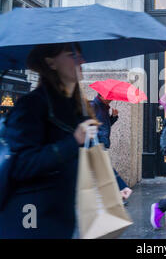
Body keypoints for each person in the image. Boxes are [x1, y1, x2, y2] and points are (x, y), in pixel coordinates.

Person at [0, 43, 99, 239]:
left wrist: (118, 184)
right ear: (51, 63)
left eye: (80, 55)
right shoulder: (32, 104)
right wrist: (74, 140)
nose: (82, 61)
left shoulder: (76, 107)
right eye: (72, 54)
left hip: (59, 215)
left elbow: (85, 154)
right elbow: (22, 165)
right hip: (30, 216)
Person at [90, 93, 132, 201]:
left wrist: (113, 117)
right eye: (109, 97)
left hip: (101, 142)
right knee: (105, 168)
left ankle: (118, 191)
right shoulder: (93, 106)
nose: (111, 99)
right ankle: (121, 189)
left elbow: (105, 126)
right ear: (102, 96)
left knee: (103, 168)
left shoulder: (104, 107)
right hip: (96, 143)